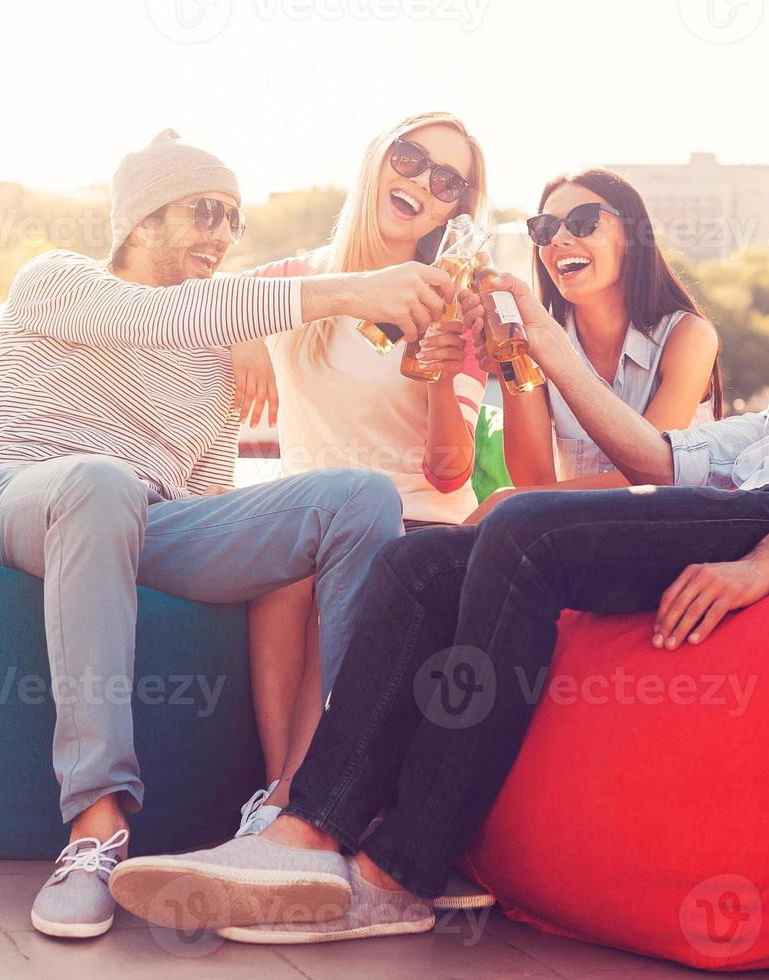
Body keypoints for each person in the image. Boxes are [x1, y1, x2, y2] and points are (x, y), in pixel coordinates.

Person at [109, 125, 769, 945]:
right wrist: (536, 336)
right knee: (421, 560)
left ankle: (398, 871)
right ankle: (306, 830)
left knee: (527, 532)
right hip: (756, 494)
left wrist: (762, 562)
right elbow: (662, 454)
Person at [0, 129, 451, 940]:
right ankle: (95, 826)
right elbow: (163, 316)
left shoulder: (216, 353)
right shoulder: (58, 279)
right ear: (141, 221)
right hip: (23, 494)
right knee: (101, 481)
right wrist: (353, 290)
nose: (220, 233)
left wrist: (239, 345)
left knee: (357, 499)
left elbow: (209, 493)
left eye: (233, 220)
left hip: (151, 519)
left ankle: (306, 808)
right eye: (203, 211)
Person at [227, 113, 490, 839]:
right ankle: (281, 794)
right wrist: (243, 331)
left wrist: (439, 375)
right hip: (311, 519)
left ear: (453, 209)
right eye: (409, 159)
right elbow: (200, 306)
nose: (420, 183)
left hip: (411, 519)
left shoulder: (449, 303)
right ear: (378, 158)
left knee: (326, 566)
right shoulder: (293, 283)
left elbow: (449, 473)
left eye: (446, 182)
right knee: (284, 572)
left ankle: (299, 798)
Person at [467, 167, 721, 524]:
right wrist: (510, 361)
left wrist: (508, 502)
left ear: (632, 236)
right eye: (545, 228)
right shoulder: (536, 339)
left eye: (583, 222)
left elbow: (656, 473)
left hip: (673, 533)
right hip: (575, 539)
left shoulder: (688, 337)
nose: (559, 239)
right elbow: (534, 481)